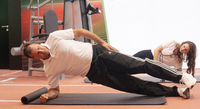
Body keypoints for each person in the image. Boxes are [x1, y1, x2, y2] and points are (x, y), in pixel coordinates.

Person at [23, 29, 197, 103]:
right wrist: (48, 95)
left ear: (39, 43)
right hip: (95, 73)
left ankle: (181, 77)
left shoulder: (54, 37)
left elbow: (80, 32)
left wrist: (102, 42)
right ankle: (176, 91)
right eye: (36, 54)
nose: (40, 52)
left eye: (38, 48)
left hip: (99, 53)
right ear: (35, 59)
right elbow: (55, 90)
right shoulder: (49, 69)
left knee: (139, 64)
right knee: (135, 86)